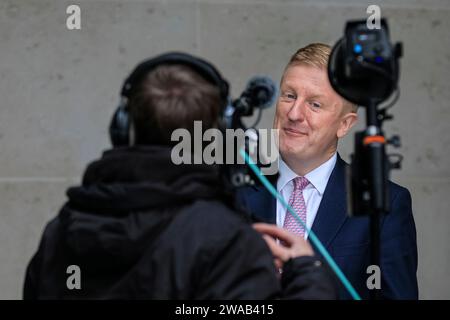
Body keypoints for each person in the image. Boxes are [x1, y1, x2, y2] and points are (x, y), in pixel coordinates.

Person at [23, 52, 337, 299]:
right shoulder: (226, 240)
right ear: (218, 135)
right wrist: (308, 275)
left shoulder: (61, 230)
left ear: (123, 127)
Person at [237, 43, 418, 299]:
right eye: (289, 95)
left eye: (315, 104)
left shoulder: (384, 205)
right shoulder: (236, 196)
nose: (294, 113)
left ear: (344, 125)